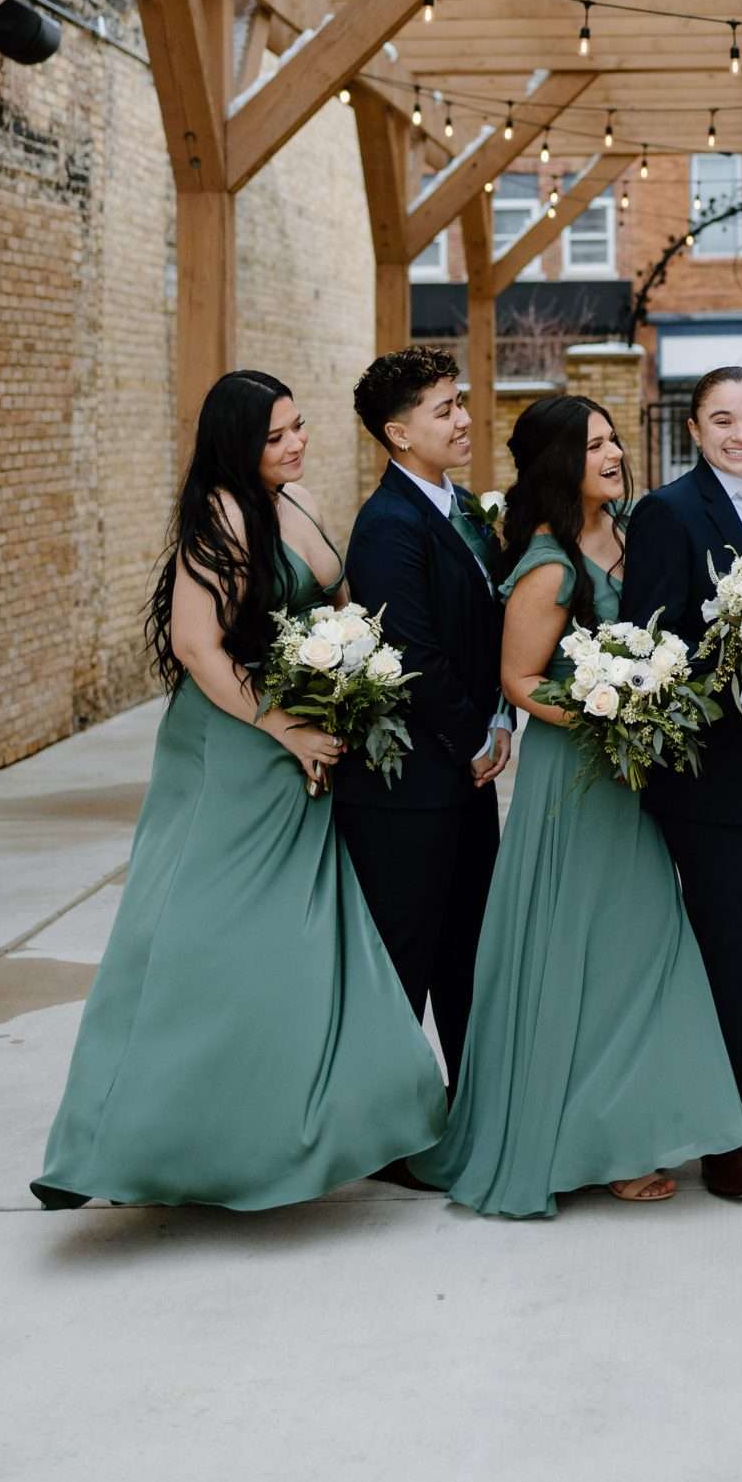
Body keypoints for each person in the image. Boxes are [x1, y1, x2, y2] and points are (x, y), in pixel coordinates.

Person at [33, 372, 444, 1211]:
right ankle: (138, 1140)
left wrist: (346, 684)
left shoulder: (291, 498)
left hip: (300, 739)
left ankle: (328, 1125)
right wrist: (283, 726)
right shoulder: (222, 512)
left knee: (304, 940)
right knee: (204, 942)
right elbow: (196, 644)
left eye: (298, 427)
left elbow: (335, 605)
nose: (295, 444)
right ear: (236, 444)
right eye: (275, 436)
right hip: (231, 746)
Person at [413, 396, 742, 1214]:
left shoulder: (629, 530)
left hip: (631, 773)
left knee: (642, 955)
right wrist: (612, 710)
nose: (613, 454)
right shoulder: (550, 563)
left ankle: (628, 1125)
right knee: (588, 954)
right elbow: (519, 681)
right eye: (593, 444)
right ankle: (591, 1148)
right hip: (579, 776)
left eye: (613, 440)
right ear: (559, 460)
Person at [618, 366, 742, 1203]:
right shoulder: (667, 512)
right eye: (723, 420)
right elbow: (649, 644)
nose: (741, 434)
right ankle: (725, 1134)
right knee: (727, 952)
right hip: (713, 774)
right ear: (693, 429)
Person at [337, 347, 511, 1108]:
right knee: (406, 953)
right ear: (399, 434)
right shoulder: (387, 526)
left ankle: (471, 1101)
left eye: (459, 402)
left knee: (467, 948)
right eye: (444, 409)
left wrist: (501, 717)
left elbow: (491, 626)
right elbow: (411, 650)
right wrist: (475, 736)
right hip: (406, 785)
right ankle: (387, 1121)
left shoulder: (463, 508)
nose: (464, 419)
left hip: (465, 777)